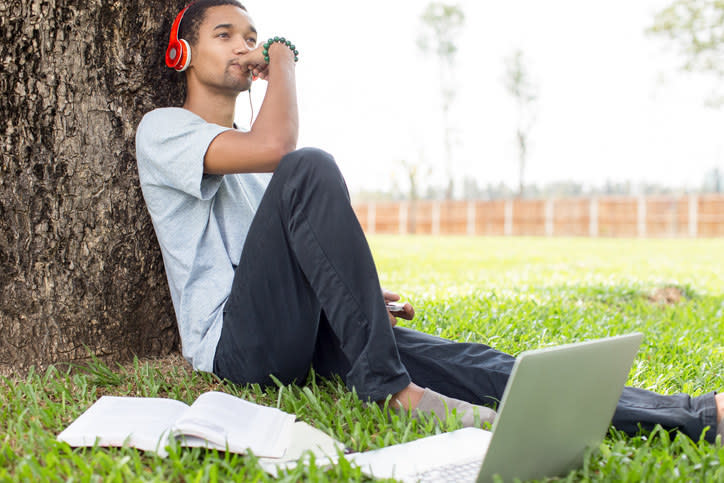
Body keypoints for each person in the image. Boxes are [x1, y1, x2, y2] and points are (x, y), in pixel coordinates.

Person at [135, 0, 724, 444]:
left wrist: (354, 294)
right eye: (225, 35)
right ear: (182, 52)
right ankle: (391, 390)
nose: (246, 46)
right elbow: (284, 147)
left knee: (474, 363)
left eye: (253, 36)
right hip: (237, 351)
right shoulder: (164, 131)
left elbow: (286, 250)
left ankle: (695, 415)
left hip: (301, 334)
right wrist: (283, 55)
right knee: (310, 165)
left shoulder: (254, 155)